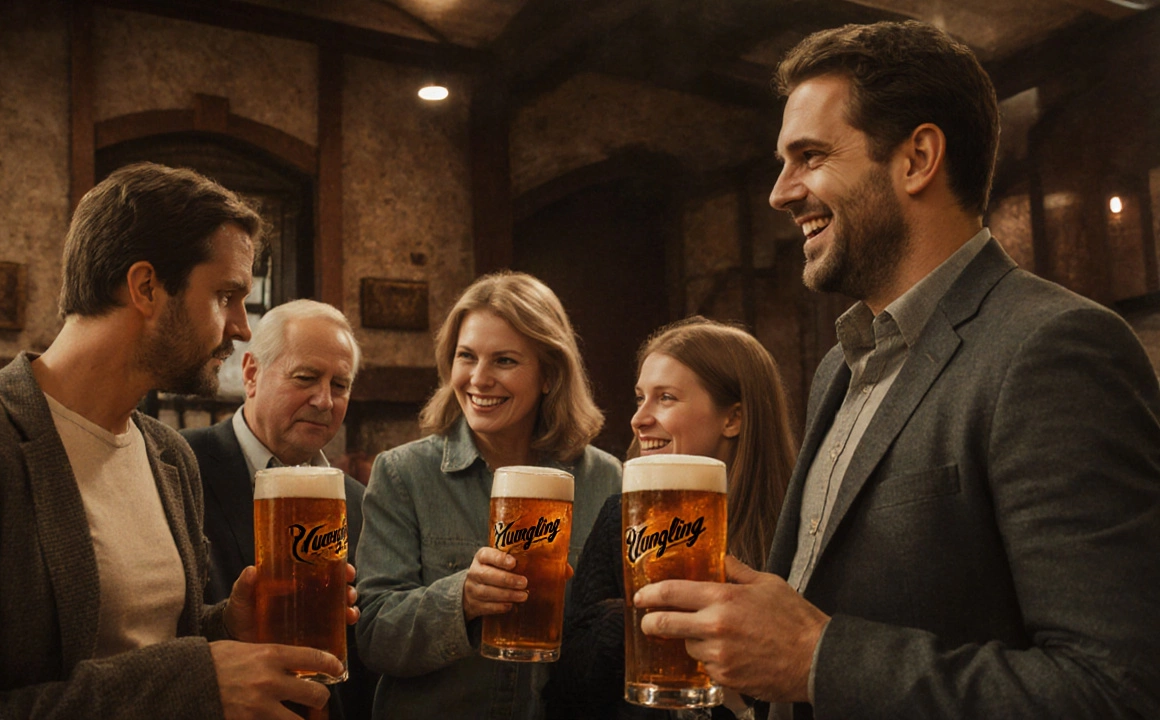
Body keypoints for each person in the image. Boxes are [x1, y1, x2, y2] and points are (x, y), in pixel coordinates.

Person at [631, 20, 1160, 720]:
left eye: (810, 156)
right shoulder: (837, 368)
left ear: (917, 159)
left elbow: (1117, 689)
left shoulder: (1055, 347)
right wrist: (754, 665)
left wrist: (820, 661)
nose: (780, 192)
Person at [0, 162, 352, 718]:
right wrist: (193, 683)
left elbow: (149, 638)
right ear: (146, 287)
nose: (242, 327)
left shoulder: (169, 453)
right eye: (226, 295)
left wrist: (226, 623)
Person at [355, 271, 622, 719]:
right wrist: (461, 599)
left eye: (504, 361)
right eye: (466, 356)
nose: (479, 378)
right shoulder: (403, 473)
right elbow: (374, 635)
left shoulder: (604, 478)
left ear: (549, 375)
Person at [546, 317, 796, 720]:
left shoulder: (798, 522)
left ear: (732, 419)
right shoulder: (620, 516)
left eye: (666, 398)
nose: (639, 418)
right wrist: (627, 622)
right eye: (640, 397)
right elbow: (566, 692)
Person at [182, 298, 375, 720]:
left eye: (339, 385)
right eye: (306, 377)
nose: (324, 400)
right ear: (251, 373)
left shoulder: (359, 502)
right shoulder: (181, 466)